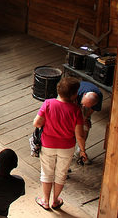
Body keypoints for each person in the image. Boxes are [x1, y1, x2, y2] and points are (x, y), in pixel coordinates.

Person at [33, 76, 86, 210]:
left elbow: (37, 123)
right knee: (61, 174)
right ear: (74, 95)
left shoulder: (48, 104)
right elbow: (79, 135)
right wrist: (83, 150)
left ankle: (45, 200)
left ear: (58, 90)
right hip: (67, 147)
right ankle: (55, 200)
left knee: (46, 172)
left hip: (48, 144)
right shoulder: (76, 110)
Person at [75, 81, 103, 163]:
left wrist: (85, 118)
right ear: (84, 95)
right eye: (83, 104)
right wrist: (79, 121)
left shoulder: (98, 97)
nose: (84, 106)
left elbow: (93, 109)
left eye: (87, 105)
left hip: (84, 106)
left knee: (86, 127)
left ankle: (80, 150)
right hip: (72, 104)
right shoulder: (77, 92)